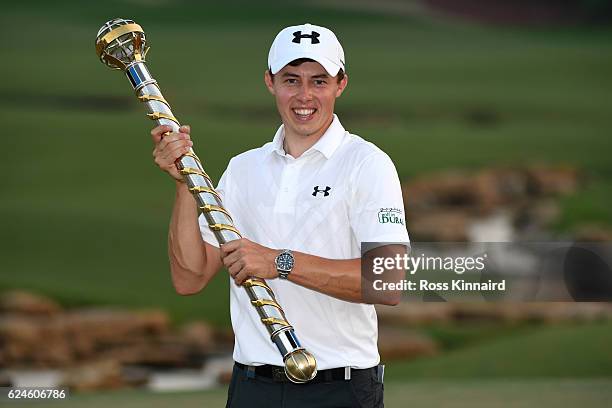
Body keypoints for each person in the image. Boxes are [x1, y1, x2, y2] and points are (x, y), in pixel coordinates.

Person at [151, 23, 409, 408]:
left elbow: (388, 281)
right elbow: (189, 278)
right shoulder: (243, 169)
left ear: (341, 84)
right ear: (270, 82)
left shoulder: (367, 165)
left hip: (340, 389)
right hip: (254, 386)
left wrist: (279, 263)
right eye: (292, 80)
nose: (305, 96)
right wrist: (184, 184)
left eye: (319, 81)